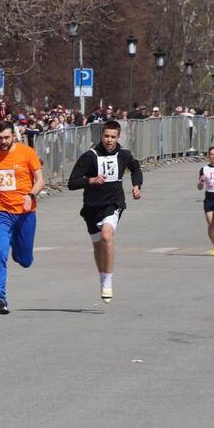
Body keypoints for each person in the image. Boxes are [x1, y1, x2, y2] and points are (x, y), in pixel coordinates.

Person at [66, 120, 143, 301]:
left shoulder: (124, 155)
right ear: (101, 136)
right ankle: (102, 276)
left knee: (107, 236)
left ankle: (108, 280)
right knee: (98, 245)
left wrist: (137, 185)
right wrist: (90, 180)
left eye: (113, 137)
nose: (109, 140)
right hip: (91, 206)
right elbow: (72, 182)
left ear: (118, 137)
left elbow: (135, 167)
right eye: (106, 136)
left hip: (113, 203)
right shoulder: (90, 156)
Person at [0, 122, 44, 314]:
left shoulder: (27, 153)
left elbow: (40, 179)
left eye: (7, 137)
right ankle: (1, 296)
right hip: (1, 213)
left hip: (25, 213)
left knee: (24, 260)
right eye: (0, 138)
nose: (4, 141)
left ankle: (18, 249)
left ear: (13, 136)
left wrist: (31, 195)